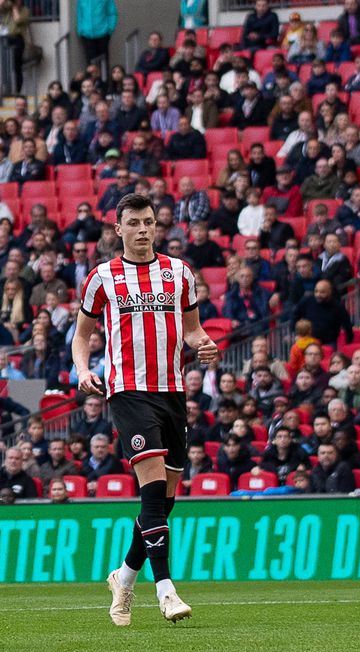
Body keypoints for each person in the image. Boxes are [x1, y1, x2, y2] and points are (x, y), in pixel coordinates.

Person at [74, 193, 218, 626]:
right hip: (128, 392)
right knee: (152, 492)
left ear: (157, 227)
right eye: (133, 222)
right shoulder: (102, 278)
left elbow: (192, 331)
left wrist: (204, 344)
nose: (142, 229)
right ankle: (166, 591)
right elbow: (81, 335)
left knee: (164, 503)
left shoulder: (180, 273)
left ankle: (124, 576)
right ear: (118, 230)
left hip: (173, 392)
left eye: (148, 222)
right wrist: (82, 369)